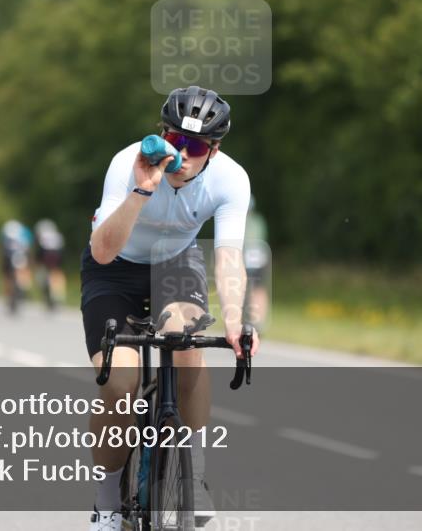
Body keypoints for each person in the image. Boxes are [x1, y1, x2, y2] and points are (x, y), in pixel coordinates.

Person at [82, 85, 259, 531]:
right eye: (176, 140)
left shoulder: (231, 179)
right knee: (120, 382)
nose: (183, 153)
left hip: (176, 264)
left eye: (195, 146)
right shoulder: (128, 164)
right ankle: (106, 503)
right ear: (162, 135)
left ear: (213, 151)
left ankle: (194, 475)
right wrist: (142, 192)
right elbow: (102, 253)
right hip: (115, 269)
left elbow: (228, 256)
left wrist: (236, 321)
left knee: (186, 342)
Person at [242, 195, 272, 331]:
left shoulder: (240, 222)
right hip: (260, 259)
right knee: (258, 290)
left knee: (247, 291)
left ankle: (252, 320)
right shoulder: (258, 220)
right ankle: (257, 321)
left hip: (248, 260)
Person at [0, 219, 34, 309]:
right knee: (23, 270)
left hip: (9, 256)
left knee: (7, 276)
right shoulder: (24, 233)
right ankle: (23, 287)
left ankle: (8, 294)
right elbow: (29, 247)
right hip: (21, 256)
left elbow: (2, 247)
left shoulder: (6, 232)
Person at [35, 218, 66, 309]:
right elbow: (62, 250)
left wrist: (38, 262)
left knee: (43, 275)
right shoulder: (58, 235)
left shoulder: (42, 236)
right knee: (56, 273)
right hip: (57, 257)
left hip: (47, 256)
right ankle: (58, 293)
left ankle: (48, 291)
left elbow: (40, 251)